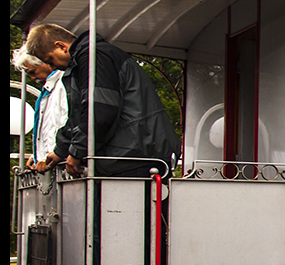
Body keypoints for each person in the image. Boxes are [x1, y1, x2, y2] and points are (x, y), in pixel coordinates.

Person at [25, 24, 179, 178]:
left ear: (61, 47)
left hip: (132, 158)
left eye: (50, 60)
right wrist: (61, 150)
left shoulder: (94, 57)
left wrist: (76, 152)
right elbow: (81, 115)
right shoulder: (87, 59)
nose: (53, 67)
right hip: (129, 154)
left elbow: (99, 112)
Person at [11, 46, 68, 172]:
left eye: (32, 71)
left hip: (60, 167)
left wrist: (53, 154)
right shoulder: (50, 88)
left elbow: (65, 123)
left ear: (45, 62)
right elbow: (50, 127)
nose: (32, 77)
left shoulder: (63, 84)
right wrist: (37, 155)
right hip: (54, 165)